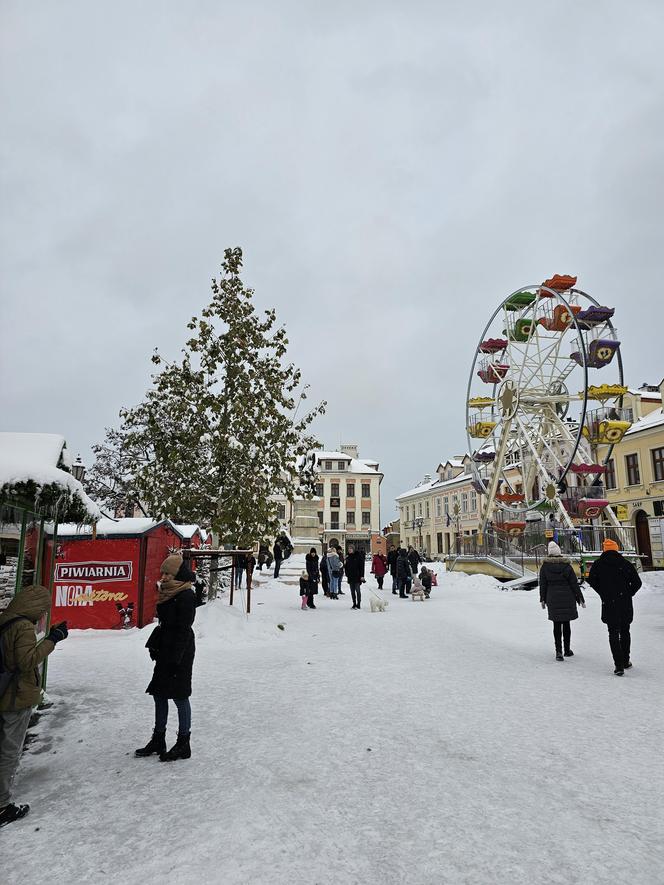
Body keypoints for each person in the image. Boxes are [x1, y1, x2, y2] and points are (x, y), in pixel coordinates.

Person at [0, 585, 68, 827]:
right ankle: (3, 805)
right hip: (15, 696)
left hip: (4, 693)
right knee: (10, 750)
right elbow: (27, 662)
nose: (43, 615)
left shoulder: (5, 621)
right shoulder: (24, 627)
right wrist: (53, 639)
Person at [136, 554, 196, 762]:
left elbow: (183, 629)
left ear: (176, 574)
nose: (163, 576)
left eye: (167, 573)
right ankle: (158, 738)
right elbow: (164, 624)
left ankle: (183, 743)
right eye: (162, 572)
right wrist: (157, 644)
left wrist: (175, 659)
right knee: (159, 693)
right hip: (166, 646)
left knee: (180, 696)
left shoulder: (186, 595)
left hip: (181, 649)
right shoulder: (166, 592)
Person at [587, 538, 642, 676]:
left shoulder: (598, 564)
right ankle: (625, 660)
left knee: (613, 632)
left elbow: (592, 580)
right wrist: (628, 593)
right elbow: (637, 582)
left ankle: (618, 666)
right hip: (625, 603)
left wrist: (603, 593)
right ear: (616, 549)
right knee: (625, 631)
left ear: (604, 550)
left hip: (609, 603)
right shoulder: (625, 563)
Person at [539, 541, 585, 661]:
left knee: (556, 624)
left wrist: (542, 599)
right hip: (567, 597)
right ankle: (567, 650)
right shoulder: (567, 566)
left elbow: (543, 584)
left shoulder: (545, 567)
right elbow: (574, 584)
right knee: (566, 623)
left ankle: (558, 652)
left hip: (552, 598)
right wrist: (580, 598)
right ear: (559, 552)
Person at [344, 544, 366, 609]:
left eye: (351, 549)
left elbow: (362, 567)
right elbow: (346, 567)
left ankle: (358, 603)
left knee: (358, 591)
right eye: (349, 549)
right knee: (352, 591)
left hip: (357, 576)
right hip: (350, 577)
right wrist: (347, 574)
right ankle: (354, 603)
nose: (349, 550)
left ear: (353, 549)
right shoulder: (347, 557)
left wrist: (362, 576)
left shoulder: (358, 556)